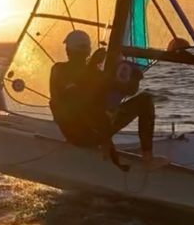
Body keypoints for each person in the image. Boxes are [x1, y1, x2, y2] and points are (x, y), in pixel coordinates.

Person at [49, 29, 161, 168]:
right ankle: (148, 158)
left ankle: (105, 142)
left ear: (68, 50)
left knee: (103, 108)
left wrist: (134, 77)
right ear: (88, 51)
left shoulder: (58, 69)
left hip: (73, 133)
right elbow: (127, 89)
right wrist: (134, 78)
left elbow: (127, 89)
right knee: (145, 100)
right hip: (90, 135)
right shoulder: (89, 74)